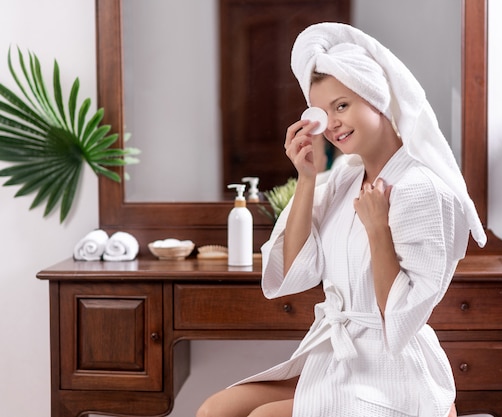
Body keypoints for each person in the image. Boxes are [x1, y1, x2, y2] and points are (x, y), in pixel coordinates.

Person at [196, 22, 486, 417]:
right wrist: (307, 177)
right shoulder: (346, 178)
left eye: (342, 105)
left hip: (392, 370)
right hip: (340, 356)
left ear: (377, 98)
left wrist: (377, 229)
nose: (331, 123)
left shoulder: (422, 188)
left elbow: (399, 321)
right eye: (323, 111)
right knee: (217, 410)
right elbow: (299, 268)